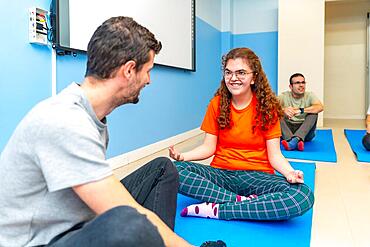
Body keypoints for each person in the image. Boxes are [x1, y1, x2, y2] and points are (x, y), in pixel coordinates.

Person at [0, 16, 196, 247]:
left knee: (162, 169)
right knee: (132, 224)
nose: (149, 81)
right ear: (129, 70)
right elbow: (125, 212)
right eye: (148, 71)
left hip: (74, 222)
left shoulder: (91, 115)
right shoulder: (65, 121)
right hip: (39, 241)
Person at [169, 48, 314, 221]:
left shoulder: (267, 108)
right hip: (221, 174)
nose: (233, 78)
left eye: (241, 72)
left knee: (303, 196)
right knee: (173, 169)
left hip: (257, 176)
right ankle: (243, 203)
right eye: (228, 72)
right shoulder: (216, 104)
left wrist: (290, 173)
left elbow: (275, 155)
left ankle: (220, 209)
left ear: (254, 77)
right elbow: (209, 148)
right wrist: (182, 156)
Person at [278, 73, 324, 151]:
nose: (301, 85)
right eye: (297, 83)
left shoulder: (310, 95)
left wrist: (301, 110)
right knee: (276, 113)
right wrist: (283, 111)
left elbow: (320, 107)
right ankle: (295, 140)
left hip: (305, 132)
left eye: (303, 82)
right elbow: (269, 108)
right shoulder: (283, 96)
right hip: (288, 130)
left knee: (314, 113)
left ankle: (293, 141)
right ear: (291, 86)